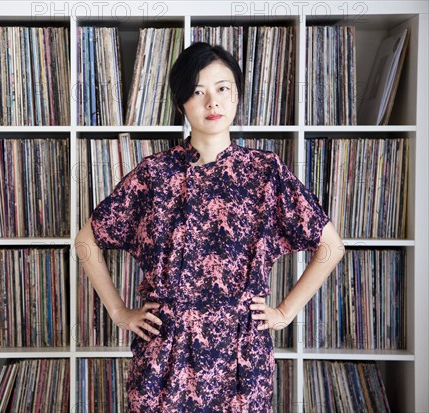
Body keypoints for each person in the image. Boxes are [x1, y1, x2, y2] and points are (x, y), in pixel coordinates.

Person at [74, 42, 344, 412]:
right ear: (181, 102)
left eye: (222, 89)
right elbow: (86, 241)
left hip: (241, 357)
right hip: (163, 354)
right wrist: (119, 312)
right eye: (198, 92)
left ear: (237, 96)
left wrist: (285, 312)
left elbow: (331, 247)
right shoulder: (154, 174)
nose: (212, 103)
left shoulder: (267, 173)